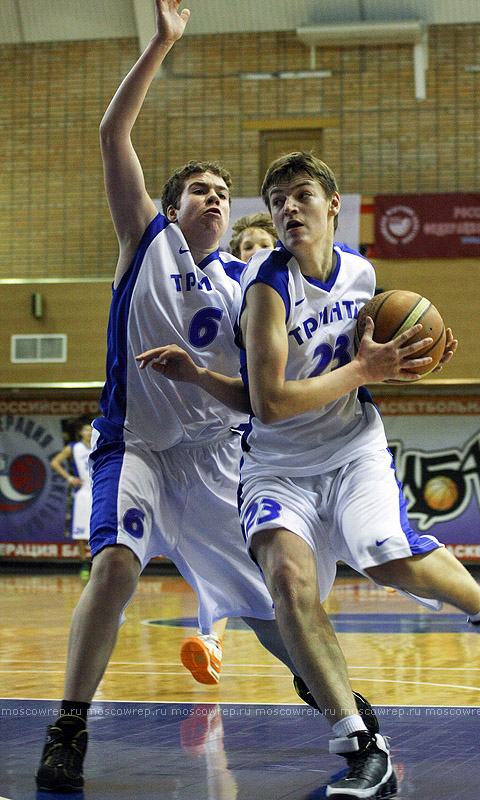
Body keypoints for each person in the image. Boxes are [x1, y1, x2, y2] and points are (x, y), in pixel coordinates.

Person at [143, 151, 480, 799]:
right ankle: (360, 746)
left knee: (383, 555)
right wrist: (365, 372)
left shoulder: (361, 271)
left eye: (300, 196)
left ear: (332, 208)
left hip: (352, 449)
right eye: (275, 201)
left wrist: (416, 355)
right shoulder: (264, 289)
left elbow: (369, 356)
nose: (288, 208)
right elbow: (266, 401)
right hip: (276, 466)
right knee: (289, 586)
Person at [35, 4, 309, 792]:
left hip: (214, 460)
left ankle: (332, 700)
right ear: (172, 203)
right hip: (141, 449)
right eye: (199, 189)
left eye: (224, 192)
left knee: (267, 598)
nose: (214, 198)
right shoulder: (144, 240)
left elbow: (266, 385)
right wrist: (160, 44)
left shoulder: (248, 285)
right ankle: (69, 725)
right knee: (116, 567)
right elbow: (109, 135)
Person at [180, 211, 277, 683]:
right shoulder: (222, 280)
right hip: (217, 430)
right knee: (223, 549)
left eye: (264, 243)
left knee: (260, 551)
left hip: (265, 432)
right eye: (248, 245)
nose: (254, 250)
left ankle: (300, 644)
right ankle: (211, 638)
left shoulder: (282, 288)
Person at [51, 421, 93, 580]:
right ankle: (84, 564)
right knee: (80, 531)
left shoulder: (99, 444)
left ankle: (97, 563)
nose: (89, 433)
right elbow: (55, 462)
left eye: (91, 430)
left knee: (97, 530)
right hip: (82, 491)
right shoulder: (74, 447)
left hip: (98, 489)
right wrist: (69, 478)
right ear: (80, 432)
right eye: (86, 430)